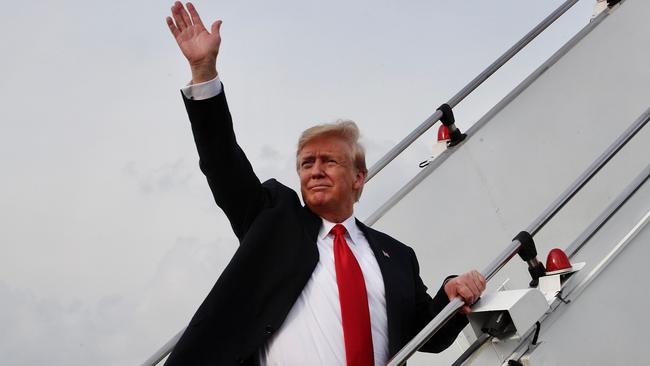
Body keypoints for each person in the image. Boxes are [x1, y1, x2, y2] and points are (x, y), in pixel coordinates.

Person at [164, 2, 486, 365]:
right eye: (306, 163)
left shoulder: (397, 257)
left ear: (358, 178)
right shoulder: (273, 222)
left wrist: (451, 295)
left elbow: (423, 334)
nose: (315, 171)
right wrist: (203, 72)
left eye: (329, 161)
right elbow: (223, 164)